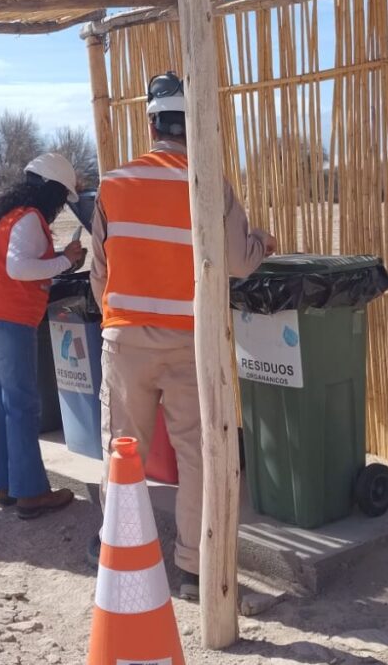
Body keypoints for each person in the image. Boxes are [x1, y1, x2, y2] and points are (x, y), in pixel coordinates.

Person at [89, 71, 276, 599]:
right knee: (199, 452)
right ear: (193, 125)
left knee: (124, 448)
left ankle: (119, 553)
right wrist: (263, 240)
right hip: (191, 341)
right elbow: (239, 262)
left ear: (151, 124)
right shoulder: (208, 182)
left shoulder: (114, 183)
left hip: (126, 339)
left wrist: (120, 316)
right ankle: (195, 567)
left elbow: (99, 270)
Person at [0, 153, 84, 519]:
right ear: (52, 191)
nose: (62, 207)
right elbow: (21, 268)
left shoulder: (3, 215)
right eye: (63, 198)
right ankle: (31, 493)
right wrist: (66, 259)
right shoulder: (31, 218)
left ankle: (6, 484)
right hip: (9, 321)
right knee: (21, 407)